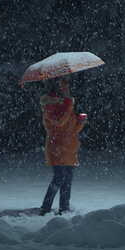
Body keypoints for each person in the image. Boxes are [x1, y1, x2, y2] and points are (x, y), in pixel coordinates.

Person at [39, 76, 87, 216]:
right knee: (59, 178)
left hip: (70, 148)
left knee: (67, 180)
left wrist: (80, 122)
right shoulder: (50, 107)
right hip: (57, 148)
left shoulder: (66, 105)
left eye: (67, 86)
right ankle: (45, 207)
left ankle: (64, 208)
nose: (67, 90)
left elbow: (72, 130)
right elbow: (59, 123)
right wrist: (69, 105)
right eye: (64, 86)